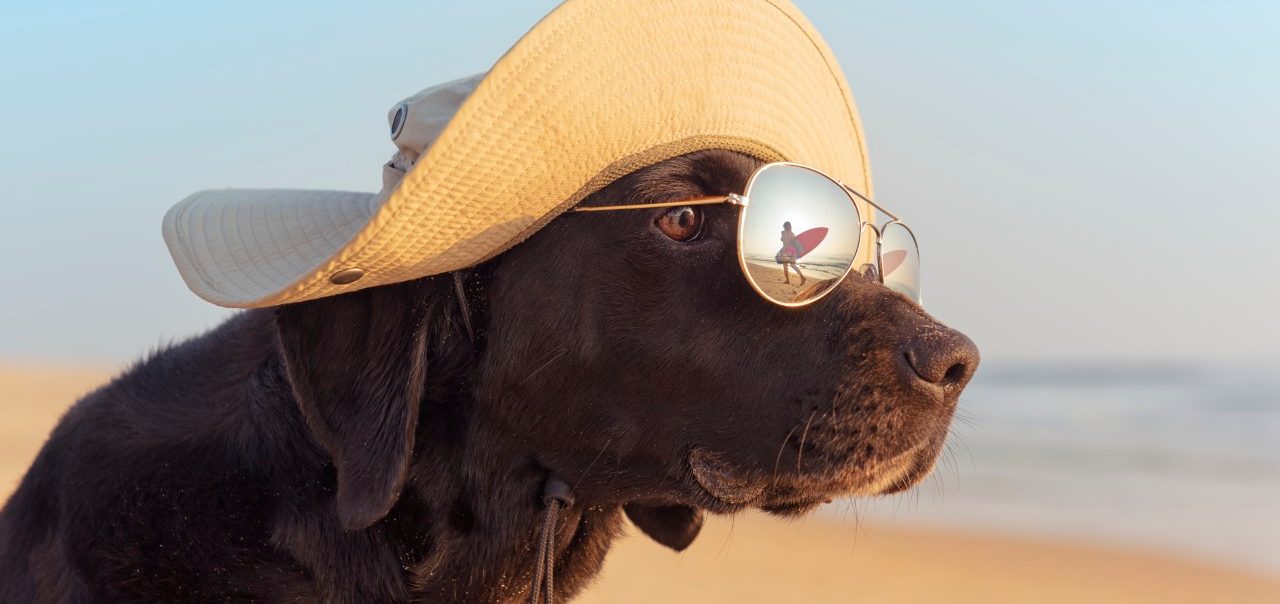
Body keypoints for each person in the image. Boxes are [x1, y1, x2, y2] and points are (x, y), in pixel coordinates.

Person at [778, 221, 806, 285]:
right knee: (793, 265)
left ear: (785, 227)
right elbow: (795, 243)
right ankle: (802, 277)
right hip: (793, 251)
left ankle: (787, 280)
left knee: (785, 266)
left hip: (786, 251)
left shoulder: (782, 232)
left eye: (784, 227)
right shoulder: (793, 234)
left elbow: (782, 239)